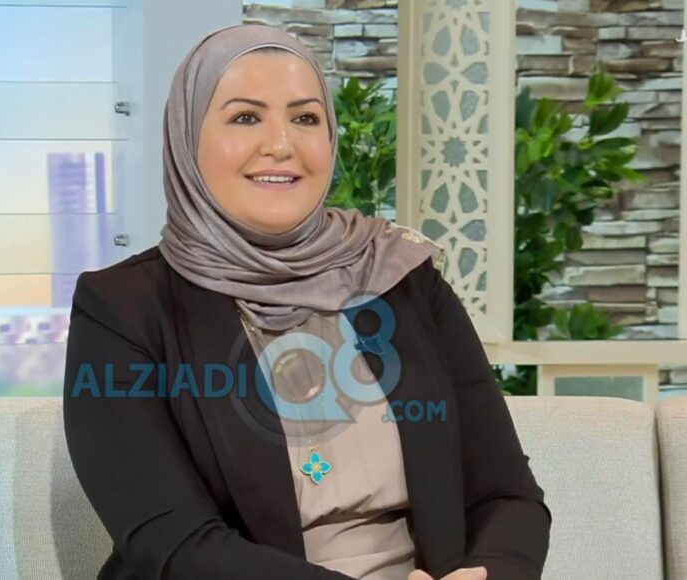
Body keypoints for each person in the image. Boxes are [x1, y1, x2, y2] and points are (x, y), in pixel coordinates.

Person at [62, 24, 551, 580]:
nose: (281, 144)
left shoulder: (401, 277)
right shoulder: (123, 309)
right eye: (246, 118)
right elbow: (175, 547)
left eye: (306, 118)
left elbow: (506, 494)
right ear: (186, 139)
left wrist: (487, 574)